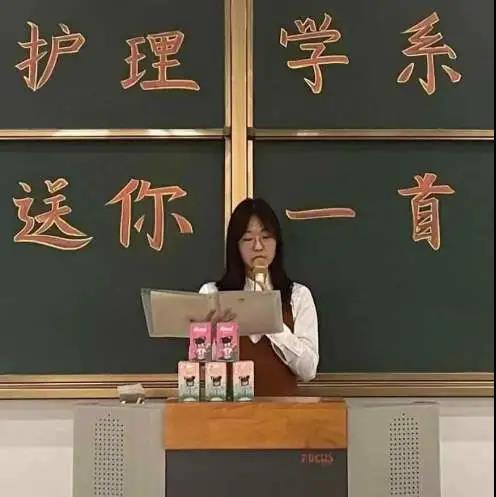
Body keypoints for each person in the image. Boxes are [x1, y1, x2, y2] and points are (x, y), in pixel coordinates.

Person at [200, 198, 319, 396]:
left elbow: (308, 370)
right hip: (226, 411)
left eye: (266, 237)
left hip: (284, 412)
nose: (258, 246)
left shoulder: (298, 295)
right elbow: (200, 370)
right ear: (235, 246)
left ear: (277, 242)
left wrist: (272, 322)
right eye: (248, 239)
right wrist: (209, 339)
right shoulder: (212, 294)